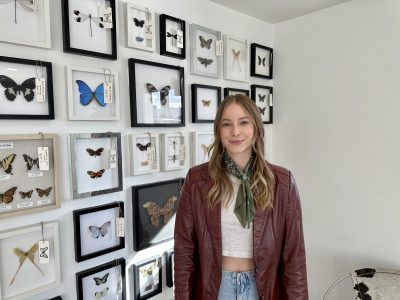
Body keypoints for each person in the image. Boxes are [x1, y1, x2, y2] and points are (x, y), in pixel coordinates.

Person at [174, 94, 308, 300]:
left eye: (243, 122)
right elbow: (184, 253)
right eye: (227, 124)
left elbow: (294, 259)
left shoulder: (282, 183)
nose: (235, 131)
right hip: (215, 290)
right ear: (219, 131)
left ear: (255, 127)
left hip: (262, 289)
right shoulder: (197, 181)